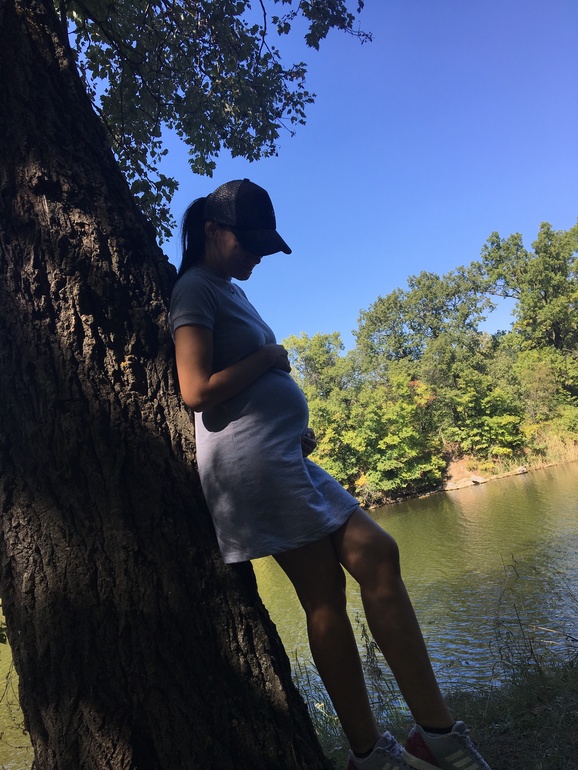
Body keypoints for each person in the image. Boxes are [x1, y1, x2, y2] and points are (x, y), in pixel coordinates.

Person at [169, 179, 493, 770]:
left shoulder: (227, 289)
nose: (259, 256)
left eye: (264, 247)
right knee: (324, 597)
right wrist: (268, 358)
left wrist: (287, 422)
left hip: (284, 455)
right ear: (214, 232)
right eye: (250, 244)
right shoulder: (194, 289)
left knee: (380, 553)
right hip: (252, 468)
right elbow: (195, 389)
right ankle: (371, 755)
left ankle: (437, 734)